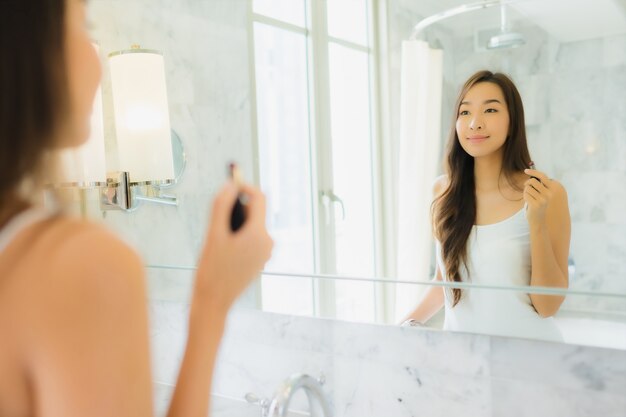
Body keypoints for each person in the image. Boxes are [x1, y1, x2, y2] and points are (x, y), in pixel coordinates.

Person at [0, 1, 273, 416]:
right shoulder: (79, 264)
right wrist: (212, 302)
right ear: (26, 48)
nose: (98, 60)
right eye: (82, 26)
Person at [404, 70, 571, 341]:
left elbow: (547, 306)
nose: (475, 123)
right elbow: (442, 284)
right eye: (465, 112)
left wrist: (537, 222)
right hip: (464, 363)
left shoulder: (548, 193)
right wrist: (399, 328)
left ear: (513, 121)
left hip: (533, 360)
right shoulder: (442, 191)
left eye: (490, 110)